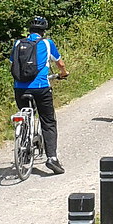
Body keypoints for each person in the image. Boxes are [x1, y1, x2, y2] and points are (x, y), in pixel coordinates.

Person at [11, 16, 69, 175]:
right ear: (43, 31)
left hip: (20, 89)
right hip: (41, 88)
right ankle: (52, 158)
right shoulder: (47, 43)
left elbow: (12, 64)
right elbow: (60, 64)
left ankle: (24, 139)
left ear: (29, 30)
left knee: (26, 114)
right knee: (48, 120)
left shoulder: (17, 44)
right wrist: (63, 74)